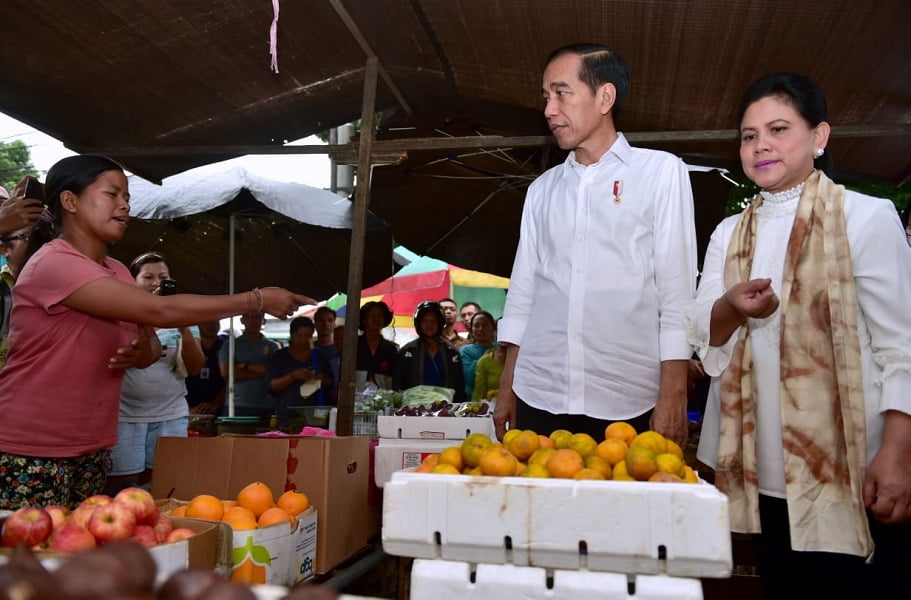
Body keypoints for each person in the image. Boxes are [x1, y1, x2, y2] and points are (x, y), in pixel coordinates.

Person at [687, 72, 911, 595]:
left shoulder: (866, 218)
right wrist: (731, 306)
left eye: (779, 129)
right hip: (757, 474)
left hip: (853, 473)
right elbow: (703, 334)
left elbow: (902, 345)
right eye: (748, 135)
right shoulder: (728, 231)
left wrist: (899, 451)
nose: (761, 144)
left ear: (819, 137)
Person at [0, 155, 310, 509]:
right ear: (70, 201)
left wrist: (144, 348)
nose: (125, 205)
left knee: (77, 554)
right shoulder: (54, 262)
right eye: (112, 194)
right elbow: (159, 310)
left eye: (127, 197)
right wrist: (255, 300)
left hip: (91, 443)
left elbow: (146, 343)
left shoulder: (116, 270)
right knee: (31, 559)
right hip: (32, 445)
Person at [494, 43, 697, 445]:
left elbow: (677, 291)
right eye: (546, 98)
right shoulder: (542, 190)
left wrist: (673, 392)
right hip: (540, 392)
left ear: (605, 97)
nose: (550, 109)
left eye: (562, 93)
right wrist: (507, 387)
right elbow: (523, 294)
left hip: (628, 398)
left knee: (625, 506)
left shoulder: (660, 172)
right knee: (539, 507)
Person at [107, 252, 206, 491]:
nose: (156, 282)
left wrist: (182, 328)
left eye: (163, 277)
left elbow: (195, 367)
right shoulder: (120, 315)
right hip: (126, 416)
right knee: (123, 488)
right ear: (133, 282)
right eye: (148, 276)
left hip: (171, 415)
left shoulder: (184, 316)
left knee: (167, 483)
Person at [266, 316, 333, 427]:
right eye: (300, 336)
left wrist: (320, 379)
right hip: (286, 415)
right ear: (292, 335)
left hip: (315, 416)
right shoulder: (279, 356)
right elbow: (271, 386)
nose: (304, 340)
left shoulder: (319, 355)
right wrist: (293, 376)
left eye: (308, 336)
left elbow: (330, 384)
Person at [395, 301, 466, 402]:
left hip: (446, 409)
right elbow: (398, 384)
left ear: (440, 323)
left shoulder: (451, 352)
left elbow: (459, 386)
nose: (429, 325)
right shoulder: (407, 350)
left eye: (434, 321)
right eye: (425, 321)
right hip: (414, 408)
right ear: (418, 323)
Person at [219, 312, 279, 425]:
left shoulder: (272, 346)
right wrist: (261, 372)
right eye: (250, 316)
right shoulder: (230, 345)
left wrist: (246, 366)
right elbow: (227, 372)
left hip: (265, 405)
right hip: (236, 404)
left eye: (257, 317)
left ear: (263, 320)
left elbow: (273, 371)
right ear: (242, 320)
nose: (254, 321)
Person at [185, 320, 227, 415]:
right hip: (187, 405)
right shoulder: (189, 346)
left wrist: (214, 404)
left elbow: (229, 381)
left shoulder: (226, 347)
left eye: (215, 322)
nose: (211, 326)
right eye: (207, 322)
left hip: (217, 406)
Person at [356, 300, 398, 388]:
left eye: (379, 316)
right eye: (372, 316)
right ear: (364, 320)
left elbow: (395, 378)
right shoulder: (354, 345)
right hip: (355, 398)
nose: (376, 319)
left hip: (383, 398)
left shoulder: (391, 348)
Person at [459, 311, 497, 400]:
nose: (480, 329)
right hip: (473, 401)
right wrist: (484, 358)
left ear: (493, 328)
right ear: (471, 329)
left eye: (485, 325)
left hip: (498, 399)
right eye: (476, 326)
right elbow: (470, 378)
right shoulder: (465, 351)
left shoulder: (500, 349)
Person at [313, 306, 340, 402]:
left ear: (334, 324)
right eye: (321, 320)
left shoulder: (340, 351)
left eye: (330, 320)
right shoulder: (309, 350)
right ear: (315, 325)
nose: (326, 324)